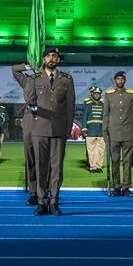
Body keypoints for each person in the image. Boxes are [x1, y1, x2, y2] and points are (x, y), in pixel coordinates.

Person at [26, 46, 76, 215]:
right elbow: (30, 103)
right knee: (41, 167)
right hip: (40, 128)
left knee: (57, 168)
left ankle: (54, 201)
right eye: (48, 56)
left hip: (59, 130)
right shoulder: (34, 79)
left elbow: (70, 107)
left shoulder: (67, 79)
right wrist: (43, 115)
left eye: (54, 56)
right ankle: (41, 202)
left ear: (58, 59)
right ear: (44, 59)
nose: (51, 59)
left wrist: (67, 130)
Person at [104, 71, 133, 196]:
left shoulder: (131, 95)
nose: (120, 81)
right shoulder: (109, 95)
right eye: (118, 79)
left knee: (127, 162)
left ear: (125, 80)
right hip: (113, 133)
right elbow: (106, 115)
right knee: (115, 161)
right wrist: (105, 133)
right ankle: (116, 186)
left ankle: (126, 187)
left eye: (122, 79)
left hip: (128, 132)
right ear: (114, 80)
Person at [10, 62, 39, 203]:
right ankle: (33, 192)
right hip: (29, 123)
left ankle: (45, 190)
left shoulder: (52, 82)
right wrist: (29, 66)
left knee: (46, 160)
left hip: (45, 123)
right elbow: (14, 70)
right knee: (31, 159)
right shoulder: (28, 81)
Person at [81, 86, 106, 172]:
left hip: (101, 131)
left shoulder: (104, 105)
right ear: (92, 94)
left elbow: (106, 119)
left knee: (101, 150)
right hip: (90, 130)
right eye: (95, 94)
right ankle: (93, 166)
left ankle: (99, 166)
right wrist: (84, 129)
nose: (96, 95)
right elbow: (84, 117)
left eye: (98, 94)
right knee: (91, 150)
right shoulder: (88, 104)